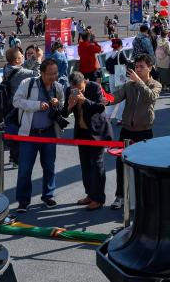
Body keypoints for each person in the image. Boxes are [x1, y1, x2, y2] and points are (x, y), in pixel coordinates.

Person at [13, 58, 65, 211]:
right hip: (29, 133)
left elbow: (62, 106)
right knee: (25, 169)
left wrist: (58, 103)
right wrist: (36, 105)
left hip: (49, 132)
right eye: (50, 74)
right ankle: (23, 201)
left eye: (56, 73)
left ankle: (48, 196)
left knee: (49, 167)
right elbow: (16, 101)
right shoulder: (28, 83)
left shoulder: (58, 87)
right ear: (42, 73)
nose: (54, 76)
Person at [110, 55, 162, 209]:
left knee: (144, 167)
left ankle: (142, 198)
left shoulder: (156, 84)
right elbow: (116, 97)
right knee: (121, 164)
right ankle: (120, 196)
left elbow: (150, 97)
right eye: (136, 67)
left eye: (141, 67)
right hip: (127, 130)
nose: (138, 69)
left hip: (144, 131)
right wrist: (105, 99)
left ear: (150, 67)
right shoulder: (129, 84)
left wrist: (138, 81)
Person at [66, 71, 113, 210]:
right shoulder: (69, 90)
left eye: (80, 88)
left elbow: (100, 107)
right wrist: (69, 106)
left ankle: (98, 199)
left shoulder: (94, 87)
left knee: (97, 165)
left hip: (96, 132)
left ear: (84, 81)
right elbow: (64, 112)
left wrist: (84, 101)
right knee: (85, 165)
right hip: (82, 132)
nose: (78, 91)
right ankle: (90, 194)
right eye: (74, 88)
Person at [0, 48, 38, 167]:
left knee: (12, 129)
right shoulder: (20, 72)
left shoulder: (7, 67)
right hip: (18, 106)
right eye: (21, 55)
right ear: (16, 60)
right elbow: (36, 74)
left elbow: (23, 66)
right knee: (20, 131)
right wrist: (38, 60)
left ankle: (12, 157)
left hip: (9, 105)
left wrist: (34, 57)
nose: (23, 56)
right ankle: (17, 159)